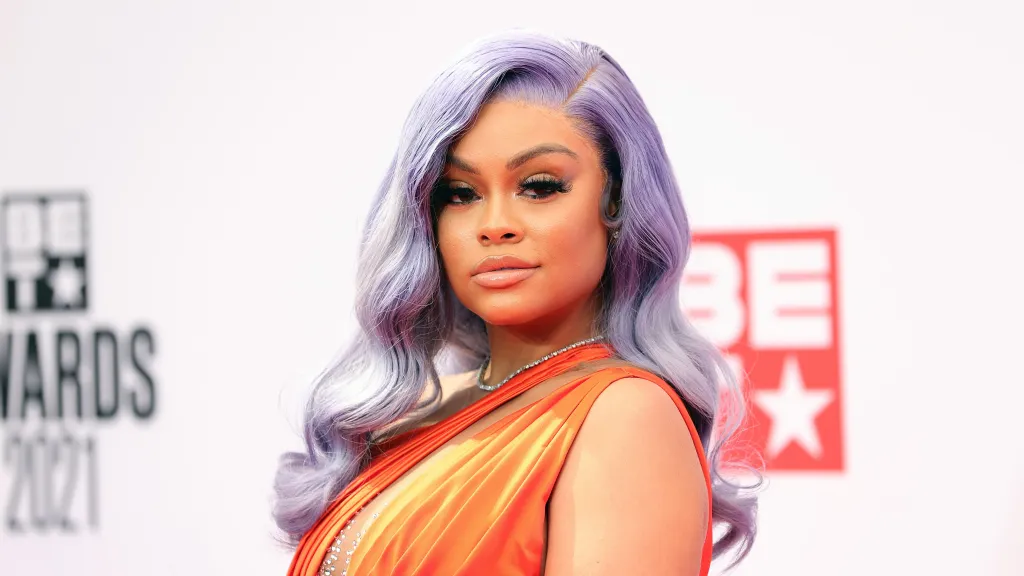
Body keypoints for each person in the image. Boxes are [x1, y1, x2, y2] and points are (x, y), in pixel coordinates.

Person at [274, 30, 759, 576]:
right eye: (460, 194)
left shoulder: (624, 417)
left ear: (619, 203)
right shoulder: (410, 412)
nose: (495, 225)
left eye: (540, 186)